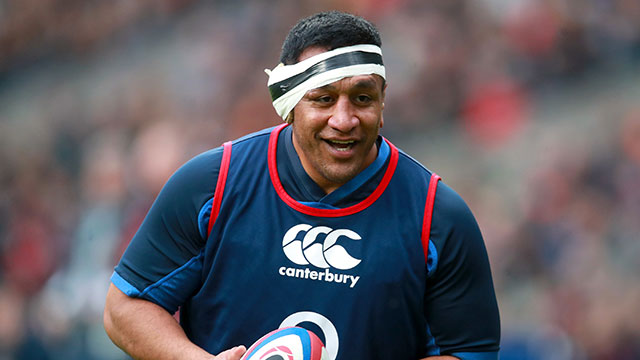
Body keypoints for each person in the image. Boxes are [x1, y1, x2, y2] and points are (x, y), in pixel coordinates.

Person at [103, 11, 500, 360]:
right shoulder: (212, 185)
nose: (344, 120)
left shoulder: (438, 217)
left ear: (382, 105)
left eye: (362, 98)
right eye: (323, 100)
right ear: (288, 106)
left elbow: (470, 352)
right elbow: (125, 308)